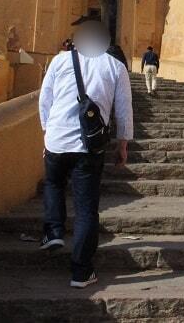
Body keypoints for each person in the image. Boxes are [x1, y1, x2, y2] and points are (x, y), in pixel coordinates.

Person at [38, 17, 133, 288]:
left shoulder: (59, 61)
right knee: (86, 209)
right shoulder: (115, 66)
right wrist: (123, 143)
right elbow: (124, 109)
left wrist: (48, 133)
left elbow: (45, 99)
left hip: (57, 139)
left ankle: (54, 231)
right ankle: (81, 271)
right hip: (90, 145)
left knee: (53, 183)